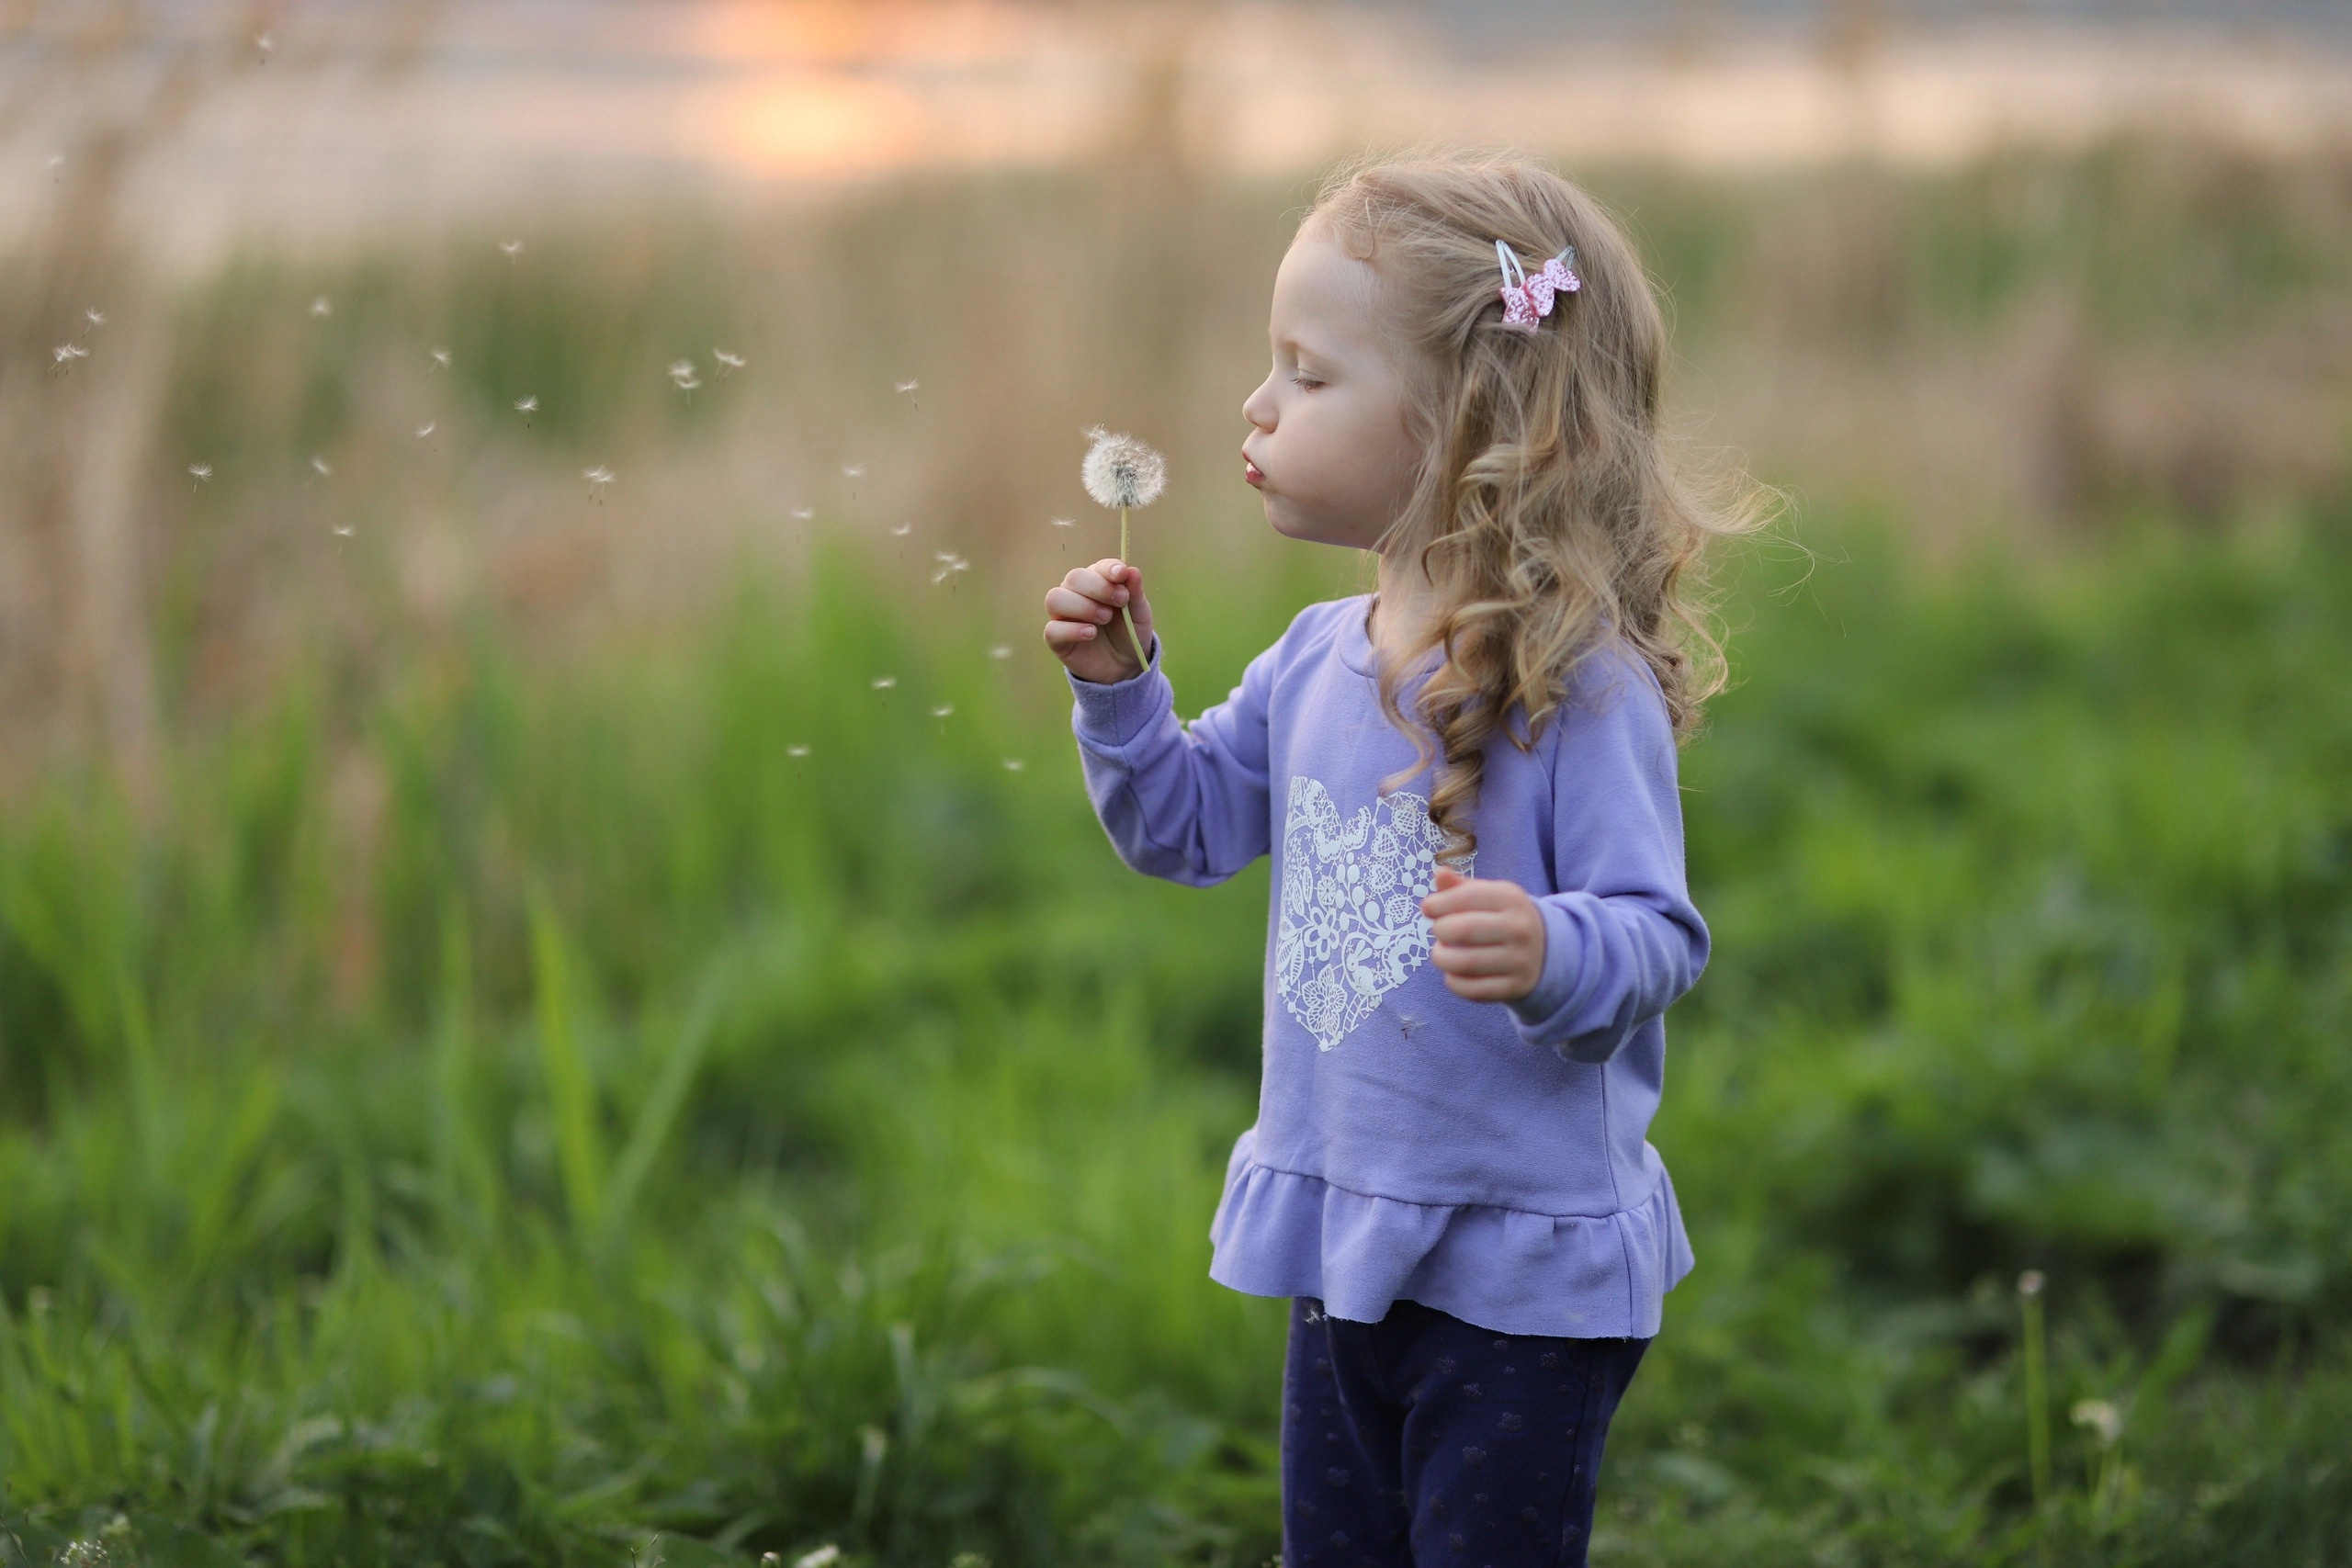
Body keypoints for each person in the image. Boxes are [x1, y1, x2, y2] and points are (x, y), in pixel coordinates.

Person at [1041, 154, 1763, 1566]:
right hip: (1348, 1243)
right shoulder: (1312, 661)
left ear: (1465, 420)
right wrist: (1123, 695)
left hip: (1521, 1277)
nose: (1256, 406)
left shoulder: (1579, 686)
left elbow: (1660, 937)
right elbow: (1182, 829)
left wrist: (1558, 952)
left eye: (1309, 376)